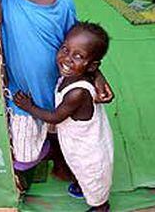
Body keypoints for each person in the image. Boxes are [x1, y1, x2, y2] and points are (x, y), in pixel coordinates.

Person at [0, 0, 113, 187]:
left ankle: (62, 161)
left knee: (68, 139)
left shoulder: (62, 4)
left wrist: (96, 76)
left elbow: (81, 47)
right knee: (24, 156)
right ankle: (28, 169)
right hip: (22, 98)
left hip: (62, 94)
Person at [13, 22, 113, 212]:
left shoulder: (77, 93)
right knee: (81, 172)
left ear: (92, 66)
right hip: (77, 140)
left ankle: (101, 206)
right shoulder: (74, 74)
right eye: (65, 49)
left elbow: (54, 117)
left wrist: (28, 106)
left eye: (78, 56)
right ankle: (81, 185)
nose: (67, 59)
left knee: (92, 178)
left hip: (88, 149)